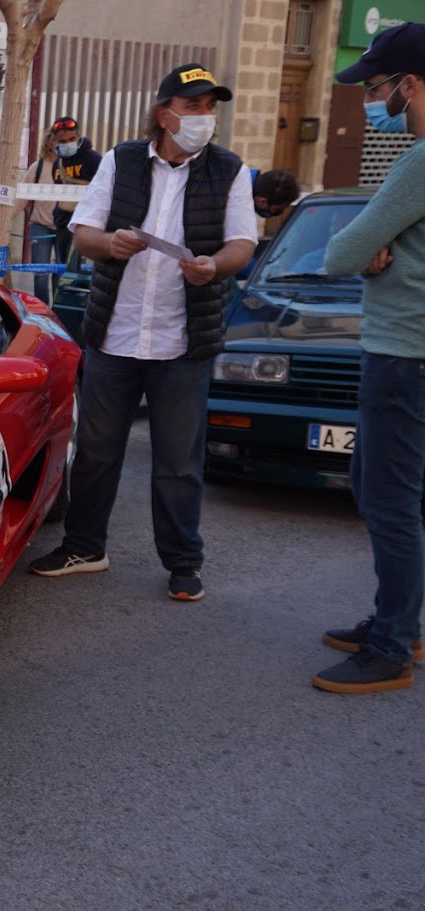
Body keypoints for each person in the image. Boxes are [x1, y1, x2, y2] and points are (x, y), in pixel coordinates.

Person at [28, 64, 257, 602]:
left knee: (178, 461)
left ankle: (182, 561)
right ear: (164, 114)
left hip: (183, 341)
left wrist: (214, 266)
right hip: (116, 334)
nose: (205, 117)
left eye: (210, 107)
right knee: (97, 451)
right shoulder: (121, 160)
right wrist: (111, 245)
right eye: (194, 106)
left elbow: (242, 244)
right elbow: (83, 233)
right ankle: (85, 547)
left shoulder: (230, 170)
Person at [313, 23, 425, 694]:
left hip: (400, 354)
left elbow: (338, 254)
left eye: (378, 86)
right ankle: (398, 618)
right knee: (382, 490)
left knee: (387, 501)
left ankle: (392, 645)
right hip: (410, 352)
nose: (372, 99)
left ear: (410, 84)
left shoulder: (418, 160)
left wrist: (373, 254)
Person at [49, 116, 103, 271]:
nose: (67, 144)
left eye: (71, 139)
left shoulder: (93, 159)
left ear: (79, 137)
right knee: (60, 268)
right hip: (63, 223)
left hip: (87, 225)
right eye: (63, 141)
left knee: (81, 271)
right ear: (56, 142)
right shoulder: (57, 164)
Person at [19, 128, 61, 300]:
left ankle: (59, 312)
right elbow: (22, 198)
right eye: (57, 141)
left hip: (65, 228)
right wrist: (5, 221)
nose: (60, 146)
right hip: (40, 226)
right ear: (48, 143)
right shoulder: (37, 168)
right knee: (40, 275)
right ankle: (42, 312)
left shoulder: (72, 170)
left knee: (61, 275)